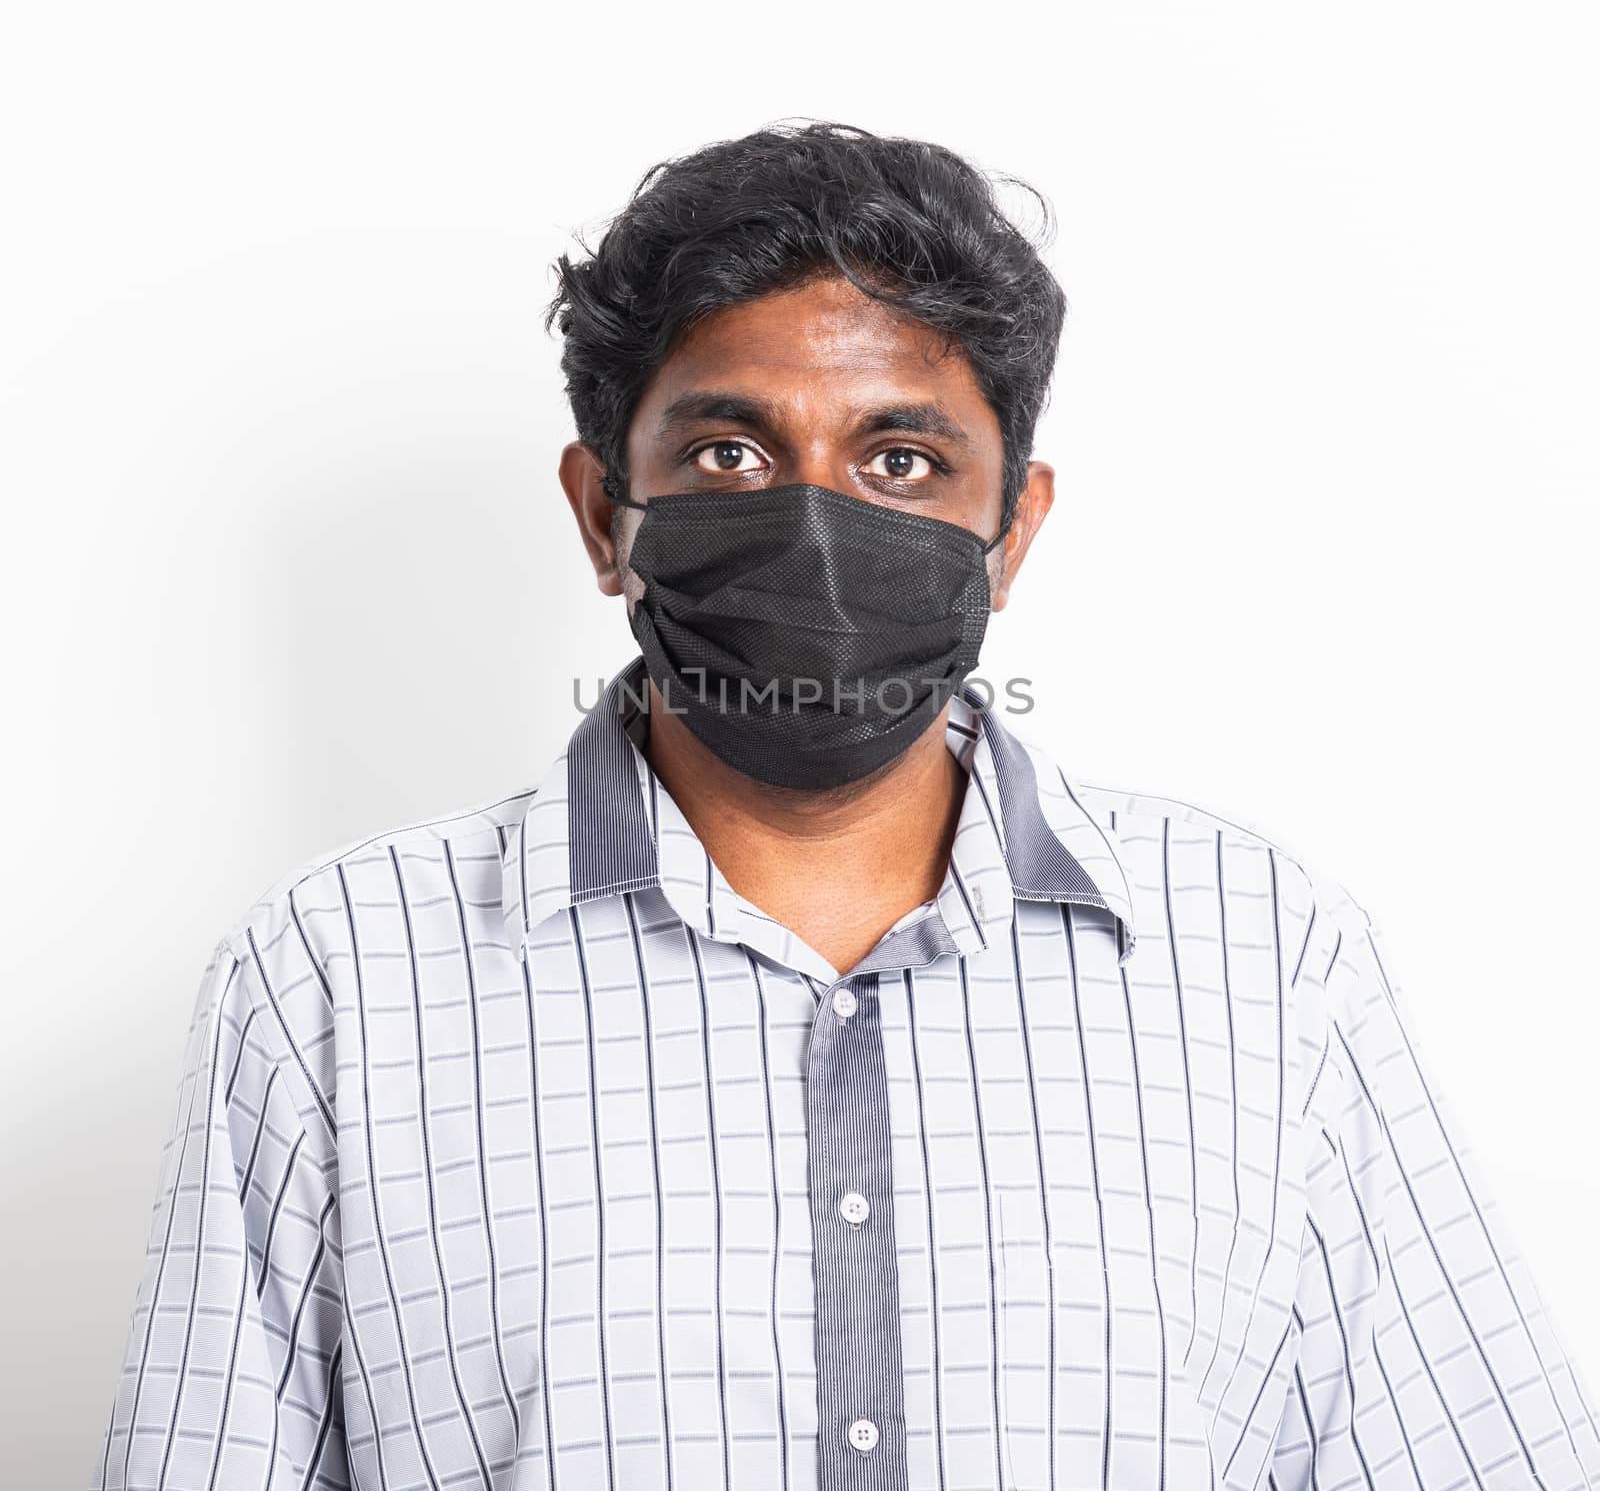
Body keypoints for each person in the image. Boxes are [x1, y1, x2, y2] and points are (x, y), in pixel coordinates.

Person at [92, 121, 1598, 1491]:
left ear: (1011, 533)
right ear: (603, 515)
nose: (812, 527)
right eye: (729, 452)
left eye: (901, 458)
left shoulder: (1269, 964)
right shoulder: (332, 984)